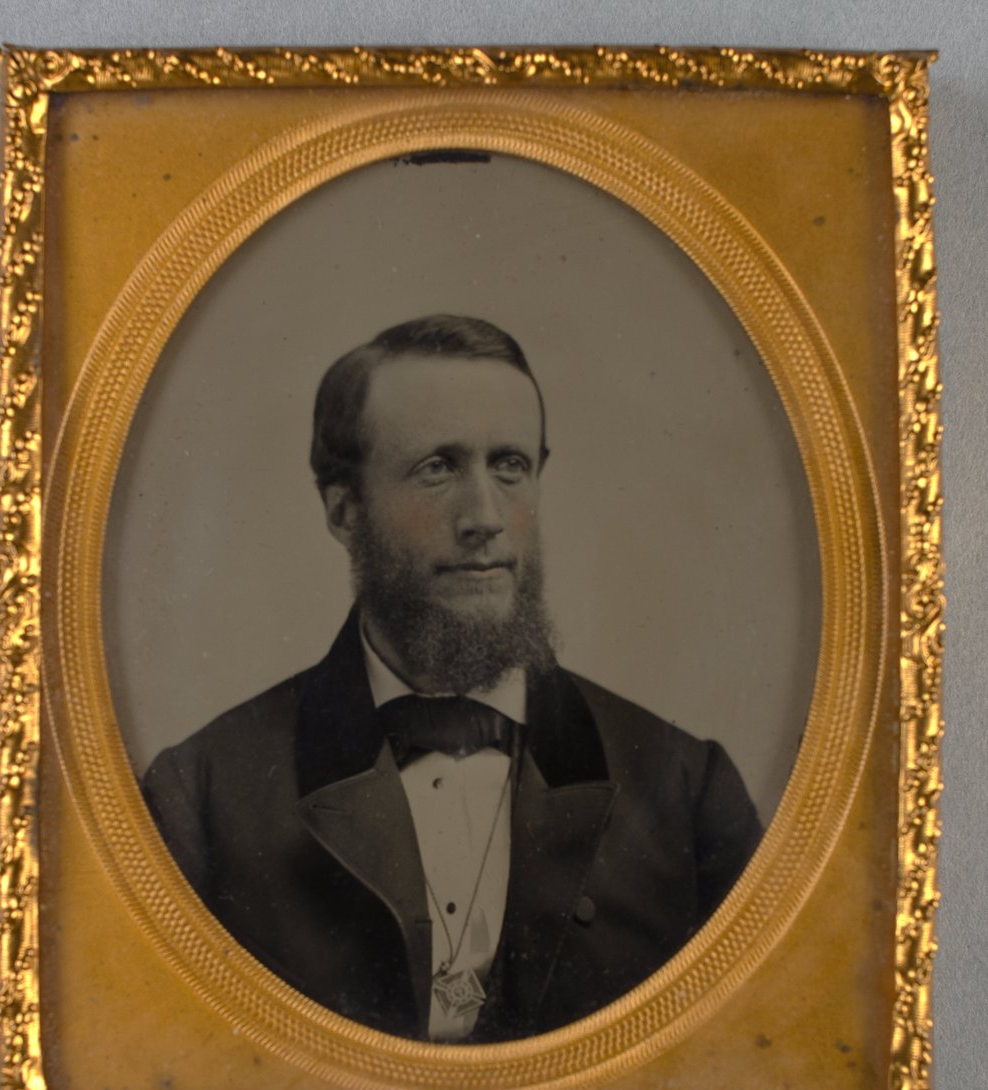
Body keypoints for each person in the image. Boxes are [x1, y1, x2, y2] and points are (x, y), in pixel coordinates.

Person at [142, 314, 763, 1043]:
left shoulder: (688, 791)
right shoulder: (201, 798)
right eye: (437, 468)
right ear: (344, 510)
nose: (485, 517)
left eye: (510, 466)